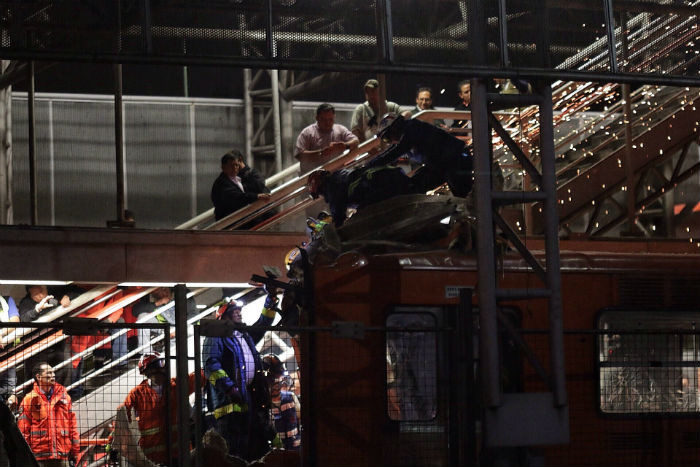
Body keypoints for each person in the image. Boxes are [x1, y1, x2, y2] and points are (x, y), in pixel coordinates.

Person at [203, 299, 277, 461]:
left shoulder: (242, 335)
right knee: (234, 452)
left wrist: (271, 300)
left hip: (248, 399)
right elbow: (210, 366)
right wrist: (230, 389)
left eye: (239, 310)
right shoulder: (216, 335)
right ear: (222, 316)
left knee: (253, 449)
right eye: (233, 311)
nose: (239, 312)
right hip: (229, 405)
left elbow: (263, 324)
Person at [120, 351, 203, 466]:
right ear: (147, 372)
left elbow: (200, 377)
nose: (161, 370)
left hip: (179, 455)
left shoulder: (176, 386)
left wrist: (211, 366)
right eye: (156, 367)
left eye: (162, 366)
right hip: (152, 459)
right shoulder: (137, 394)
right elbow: (122, 417)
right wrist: (113, 444)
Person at [370, 113, 475, 198]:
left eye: (387, 138)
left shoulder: (412, 128)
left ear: (395, 128)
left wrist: (372, 164)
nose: (391, 141)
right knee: (414, 186)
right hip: (440, 164)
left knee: (463, 195)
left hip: (456, 160)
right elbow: (394, 150)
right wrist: (372, 163)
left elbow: (397, 150)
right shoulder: (407, 132)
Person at [306, 164, 419, 228]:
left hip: (381, 187)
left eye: (319, 194)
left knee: (363, 222)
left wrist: (335, 228)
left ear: (320, 188)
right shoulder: (340, 176)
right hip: (393, 178)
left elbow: (338, 215)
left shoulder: (332, 186)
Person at [18, 362, 79, 467]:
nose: (53, 375)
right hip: (39, 457)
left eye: (53, 372)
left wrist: (75, 450)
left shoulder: (64, 397)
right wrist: (25, 454)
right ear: (38, 377)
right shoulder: (29, 399)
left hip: (62, 455)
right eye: (49, 373)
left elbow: (72, 425)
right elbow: (23, 430)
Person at [295, 103, 359, 174]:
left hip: (337, 175)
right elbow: (300, 155)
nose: (327, 123)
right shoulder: (307, 133)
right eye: (323, 120)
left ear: (334, 117)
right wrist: (320, 153)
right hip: (313, 178)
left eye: (330, 119)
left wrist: (345, 145)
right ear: (317, 118)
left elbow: (356, 141)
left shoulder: (340, 130)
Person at [211, 150, 272, 221]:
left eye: (236, 165)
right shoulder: (222, 183)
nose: (235, 168)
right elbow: (236, 196)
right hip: (230, 222)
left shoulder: (236, 179)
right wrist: (256, 196)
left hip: (238, 220)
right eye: (231, 165)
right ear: (223, 167)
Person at [262, 354, 300, 451]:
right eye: (274, 381)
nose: (277, 385)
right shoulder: (263, 404)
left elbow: (302, 418)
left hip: (295, 448)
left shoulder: (290, 397)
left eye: (279, 380)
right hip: (276, 452)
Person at [0, 294, 19, 410]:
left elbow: (15, 321)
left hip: (8, 352)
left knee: (9, 387)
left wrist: (0, 333)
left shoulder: (6, 300)